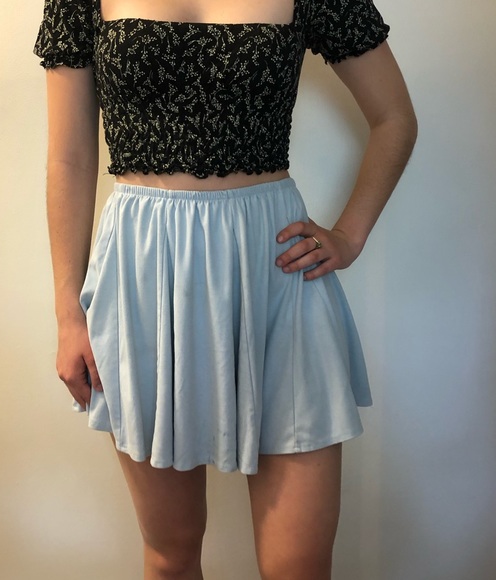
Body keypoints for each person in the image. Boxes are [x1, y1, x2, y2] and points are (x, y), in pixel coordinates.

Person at [34, 0, 417, 578]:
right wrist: (69, 314)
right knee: (171, 556)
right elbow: (68, 157)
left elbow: (395, 117)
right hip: (144, 278)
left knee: (298, 567)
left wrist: (349, 236)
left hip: (277, 273)